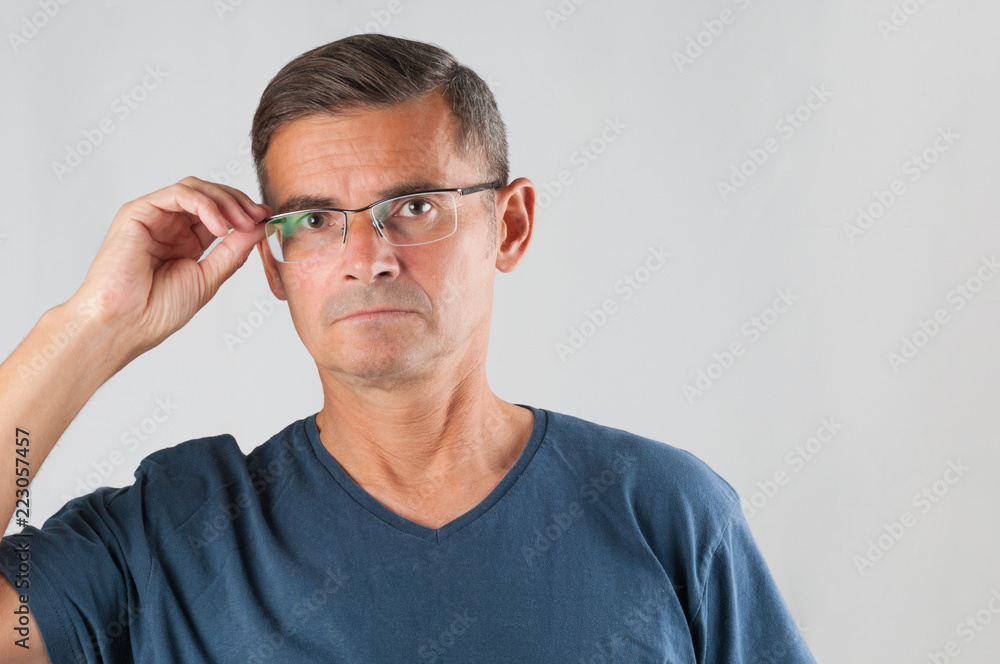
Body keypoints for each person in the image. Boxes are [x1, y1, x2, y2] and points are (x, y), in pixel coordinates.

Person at [0, 34, 816, 663]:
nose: (368, 255)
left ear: (513, 223)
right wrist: (87, 330)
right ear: (277, 265)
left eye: (415, 206)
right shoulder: (175, 536)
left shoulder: (664, 511)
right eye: (315, 220)